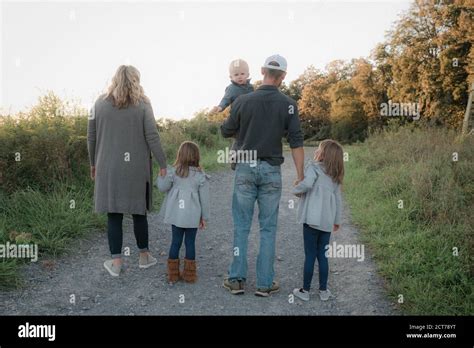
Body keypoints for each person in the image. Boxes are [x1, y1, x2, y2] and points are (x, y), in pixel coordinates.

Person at [221, 54, 305, 297]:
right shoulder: (288, 104)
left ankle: (236, 280)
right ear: (283, 76)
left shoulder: (243, 101)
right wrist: (299, 175)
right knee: (268, 228)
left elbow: (226, 130)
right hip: (271, 171)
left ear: (261, 71)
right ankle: (265, 284)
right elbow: (296, 141)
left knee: (241, 227)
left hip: (245, 168)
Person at [87, 65, 167, 277]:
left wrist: (93, 164)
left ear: (114, 79)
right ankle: (144, 257)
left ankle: (116, 263)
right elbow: (152, 136)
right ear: (136, 80)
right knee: (138, 211)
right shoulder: (143, 105)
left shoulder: (98, 104)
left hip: (107, 167)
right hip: (136, 168)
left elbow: (91, 138)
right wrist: (163, 163)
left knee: (114, 213)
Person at [291, 140, 344, 301]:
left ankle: (305, 291)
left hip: (311, 220)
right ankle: (323, 291)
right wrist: (336, 220)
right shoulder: (334, 177)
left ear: (322, 155)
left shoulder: (313, 168)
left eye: (319, 149)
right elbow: (338, 200)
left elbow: (306, 184)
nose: (316, 151)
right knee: (323, 255)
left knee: (310, 255)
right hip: (327, 221)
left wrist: (295, 189)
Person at [157, 141, 210, 284]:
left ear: (180, 155)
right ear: (196, 156)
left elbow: (162, 188)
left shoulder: (173, 172)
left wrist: (161, 176)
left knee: (175, 242)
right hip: (192, 216)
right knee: (190, 243)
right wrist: (204, 217)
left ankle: (173, 275)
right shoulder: (200, 176)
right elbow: (204, 199)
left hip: (176, 216)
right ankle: (189, 275)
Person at [211, 58, 254, 170]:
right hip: (238, 118)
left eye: (242, 74)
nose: (239, 76)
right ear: (231, 77)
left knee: (249, 139)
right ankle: (234, 159)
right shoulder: (232, 89)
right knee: (239, 140)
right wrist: (219, 107)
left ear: (248, 74)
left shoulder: (251, 88)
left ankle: (250, 159)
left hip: (250, 118)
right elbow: (225, 100)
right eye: (236, 74)